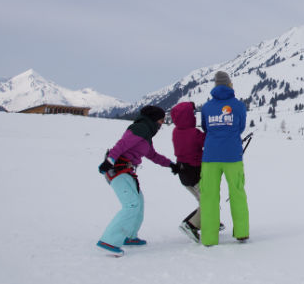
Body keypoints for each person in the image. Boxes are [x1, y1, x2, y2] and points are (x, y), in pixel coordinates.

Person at [96, 105, 180, 256]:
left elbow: (153, 155)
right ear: (154, 119)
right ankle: (108, 241)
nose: (162, 123)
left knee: (138, 202)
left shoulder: (146, 135)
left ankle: (129, 236)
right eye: (161, 120)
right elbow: (122, 145)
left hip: (126, 171)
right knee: (131, 204)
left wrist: (171, 165)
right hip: (116, 169)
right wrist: (109, 161)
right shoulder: (140, 128)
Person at [200, 71, 249, 246]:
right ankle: (242, 232)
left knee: (209, 196)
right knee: (237, 193)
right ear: (229, 84)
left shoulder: (206, 107)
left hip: (210, 156)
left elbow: (205, 128)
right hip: (233, 155)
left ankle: (209, 237)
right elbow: (241, 127)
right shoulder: (239, 106)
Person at [170, 101, 224, 243]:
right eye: (192, 113)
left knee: (204, 200)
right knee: (209, 200)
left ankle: (210, 221)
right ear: (187, 116)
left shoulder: (176, 131)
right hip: (194, 172)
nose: (194, 115)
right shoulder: (194, 133)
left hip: (183, 173)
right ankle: (191, 224)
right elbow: (209, 142)